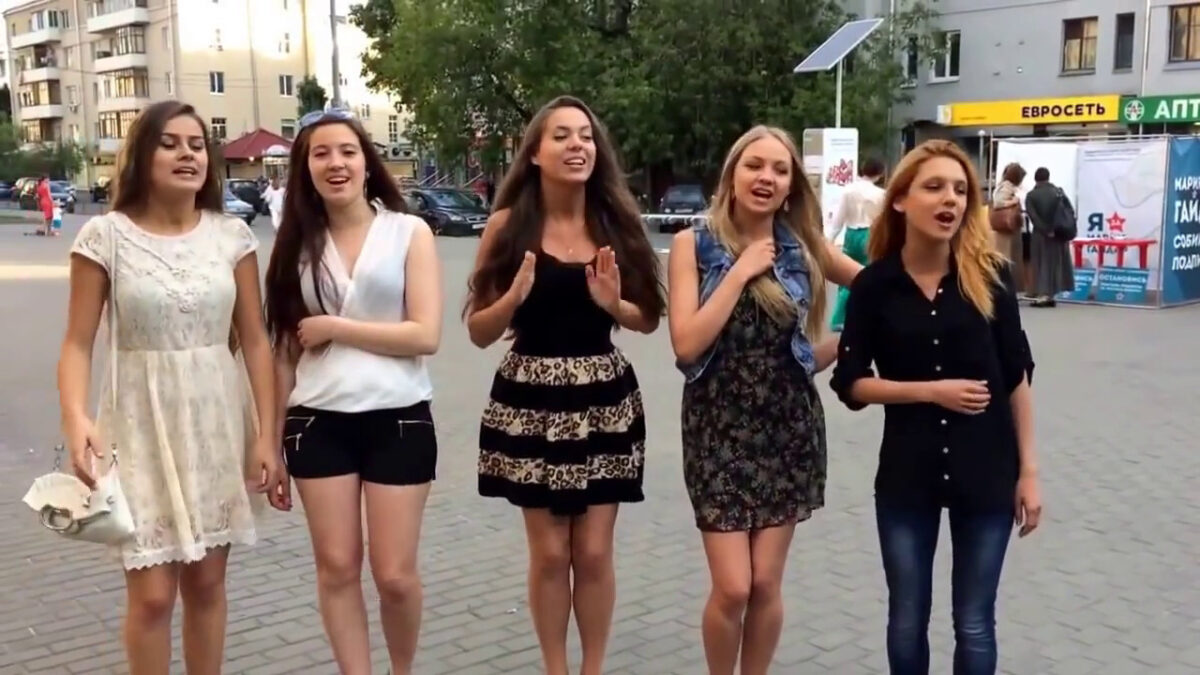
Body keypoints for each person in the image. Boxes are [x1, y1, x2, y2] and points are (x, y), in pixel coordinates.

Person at [57, 100, 285, 674]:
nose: (188, 154)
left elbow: (255, 341)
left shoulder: (232, 236)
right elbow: (78, 343)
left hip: (213, 422)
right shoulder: (104, 237)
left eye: (197, 144)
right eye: (170, 143)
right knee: (153, 597)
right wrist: (75, 419)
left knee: (207, 585)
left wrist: (267, 436)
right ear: (142, 155)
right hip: (138, 422)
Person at [464, 95, 665, 675]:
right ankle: (556, 667)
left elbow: (649, 319)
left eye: (585, 136)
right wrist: (513, 296)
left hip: (604, 400)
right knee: (551, 554)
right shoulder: (507, 227)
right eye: (562, 136)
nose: (577, 145)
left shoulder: (615, 223)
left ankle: (591, 667)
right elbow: (478, 331)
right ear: (534, 153)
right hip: (531, 401)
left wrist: (615, 304)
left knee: (594, 551)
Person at [830, 139, 1042, 675]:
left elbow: (1017, 378)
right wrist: (929, 390)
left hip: (987, 471)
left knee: (974, 621)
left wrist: (1030, 473)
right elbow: (851, 383)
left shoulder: (991, 278)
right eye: (934, 187)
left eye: (960, 190)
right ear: (900, 200)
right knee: (907, 618)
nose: (951, 199)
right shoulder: (874, 285)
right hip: (908, 474)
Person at [667, 125, 863, 675]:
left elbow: (876, 289)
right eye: (755, 165)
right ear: (732, 175)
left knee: (766, 584)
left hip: (788, 428)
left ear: (791, 186)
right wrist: (741, 271)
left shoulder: (804, 247)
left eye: (780, 170)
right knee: (734, 587)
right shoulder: (692, 245)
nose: (766, 178)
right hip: (717, 430)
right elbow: (686, 345)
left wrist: (852, 340)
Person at [263, 108, 441, 675]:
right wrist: (268, 444)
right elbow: (283, 354)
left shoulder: (408, 232)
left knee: (395, 576)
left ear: (367, 163)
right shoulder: (295, 245)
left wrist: (336, 328)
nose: (335, 163)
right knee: (337, 568)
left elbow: (425, 335)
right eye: (320, 154)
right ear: (306, 169)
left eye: (347, 151)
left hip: (399, 419)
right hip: (317, 423)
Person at [827, 156, 886, 330]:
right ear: (880, 173)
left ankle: (841, 316)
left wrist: (829, 240)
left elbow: (838, 220)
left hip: (851, 234)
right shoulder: (881, 194)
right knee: (866, 276)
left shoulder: (848, 191)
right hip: (869, 234)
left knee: (845, 274)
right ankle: (857, 316)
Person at [1023, 167, 1075, 307]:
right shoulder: (1059, 192)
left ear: (1035, 179)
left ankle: (1043, 295)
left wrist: (1046, 230)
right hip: (1059, 233)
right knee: (1055, 264)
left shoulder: (1031, 196)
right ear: (1048, 177)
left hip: (1041, 235)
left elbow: (1033, 217)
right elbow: (1069, 211)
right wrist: (1055, 229)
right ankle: (1052, 293)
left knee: (1041, 264)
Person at [990, 163, 1026, 294]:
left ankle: (1007, 286)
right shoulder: (1006, 187)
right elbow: (998, 203)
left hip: (1007, 229)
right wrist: (1013, 202)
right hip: (1006, 228)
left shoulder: (1004, 186)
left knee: (1007, 257)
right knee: (1006, 257)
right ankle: (1005, 287)